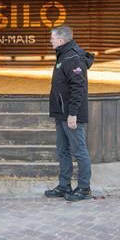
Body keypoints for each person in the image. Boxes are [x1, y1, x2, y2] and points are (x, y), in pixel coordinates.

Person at [44, 25, 94, 202]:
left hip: (71, 115)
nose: (50, 40)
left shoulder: (72, 57)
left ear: (60, 39)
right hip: (61, 113)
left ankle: (84, 188)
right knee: (63, 151)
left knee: (79, 152)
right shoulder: (63, 55)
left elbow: (78, 88)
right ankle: (64, 186)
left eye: (52, 37)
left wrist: (73, 114)